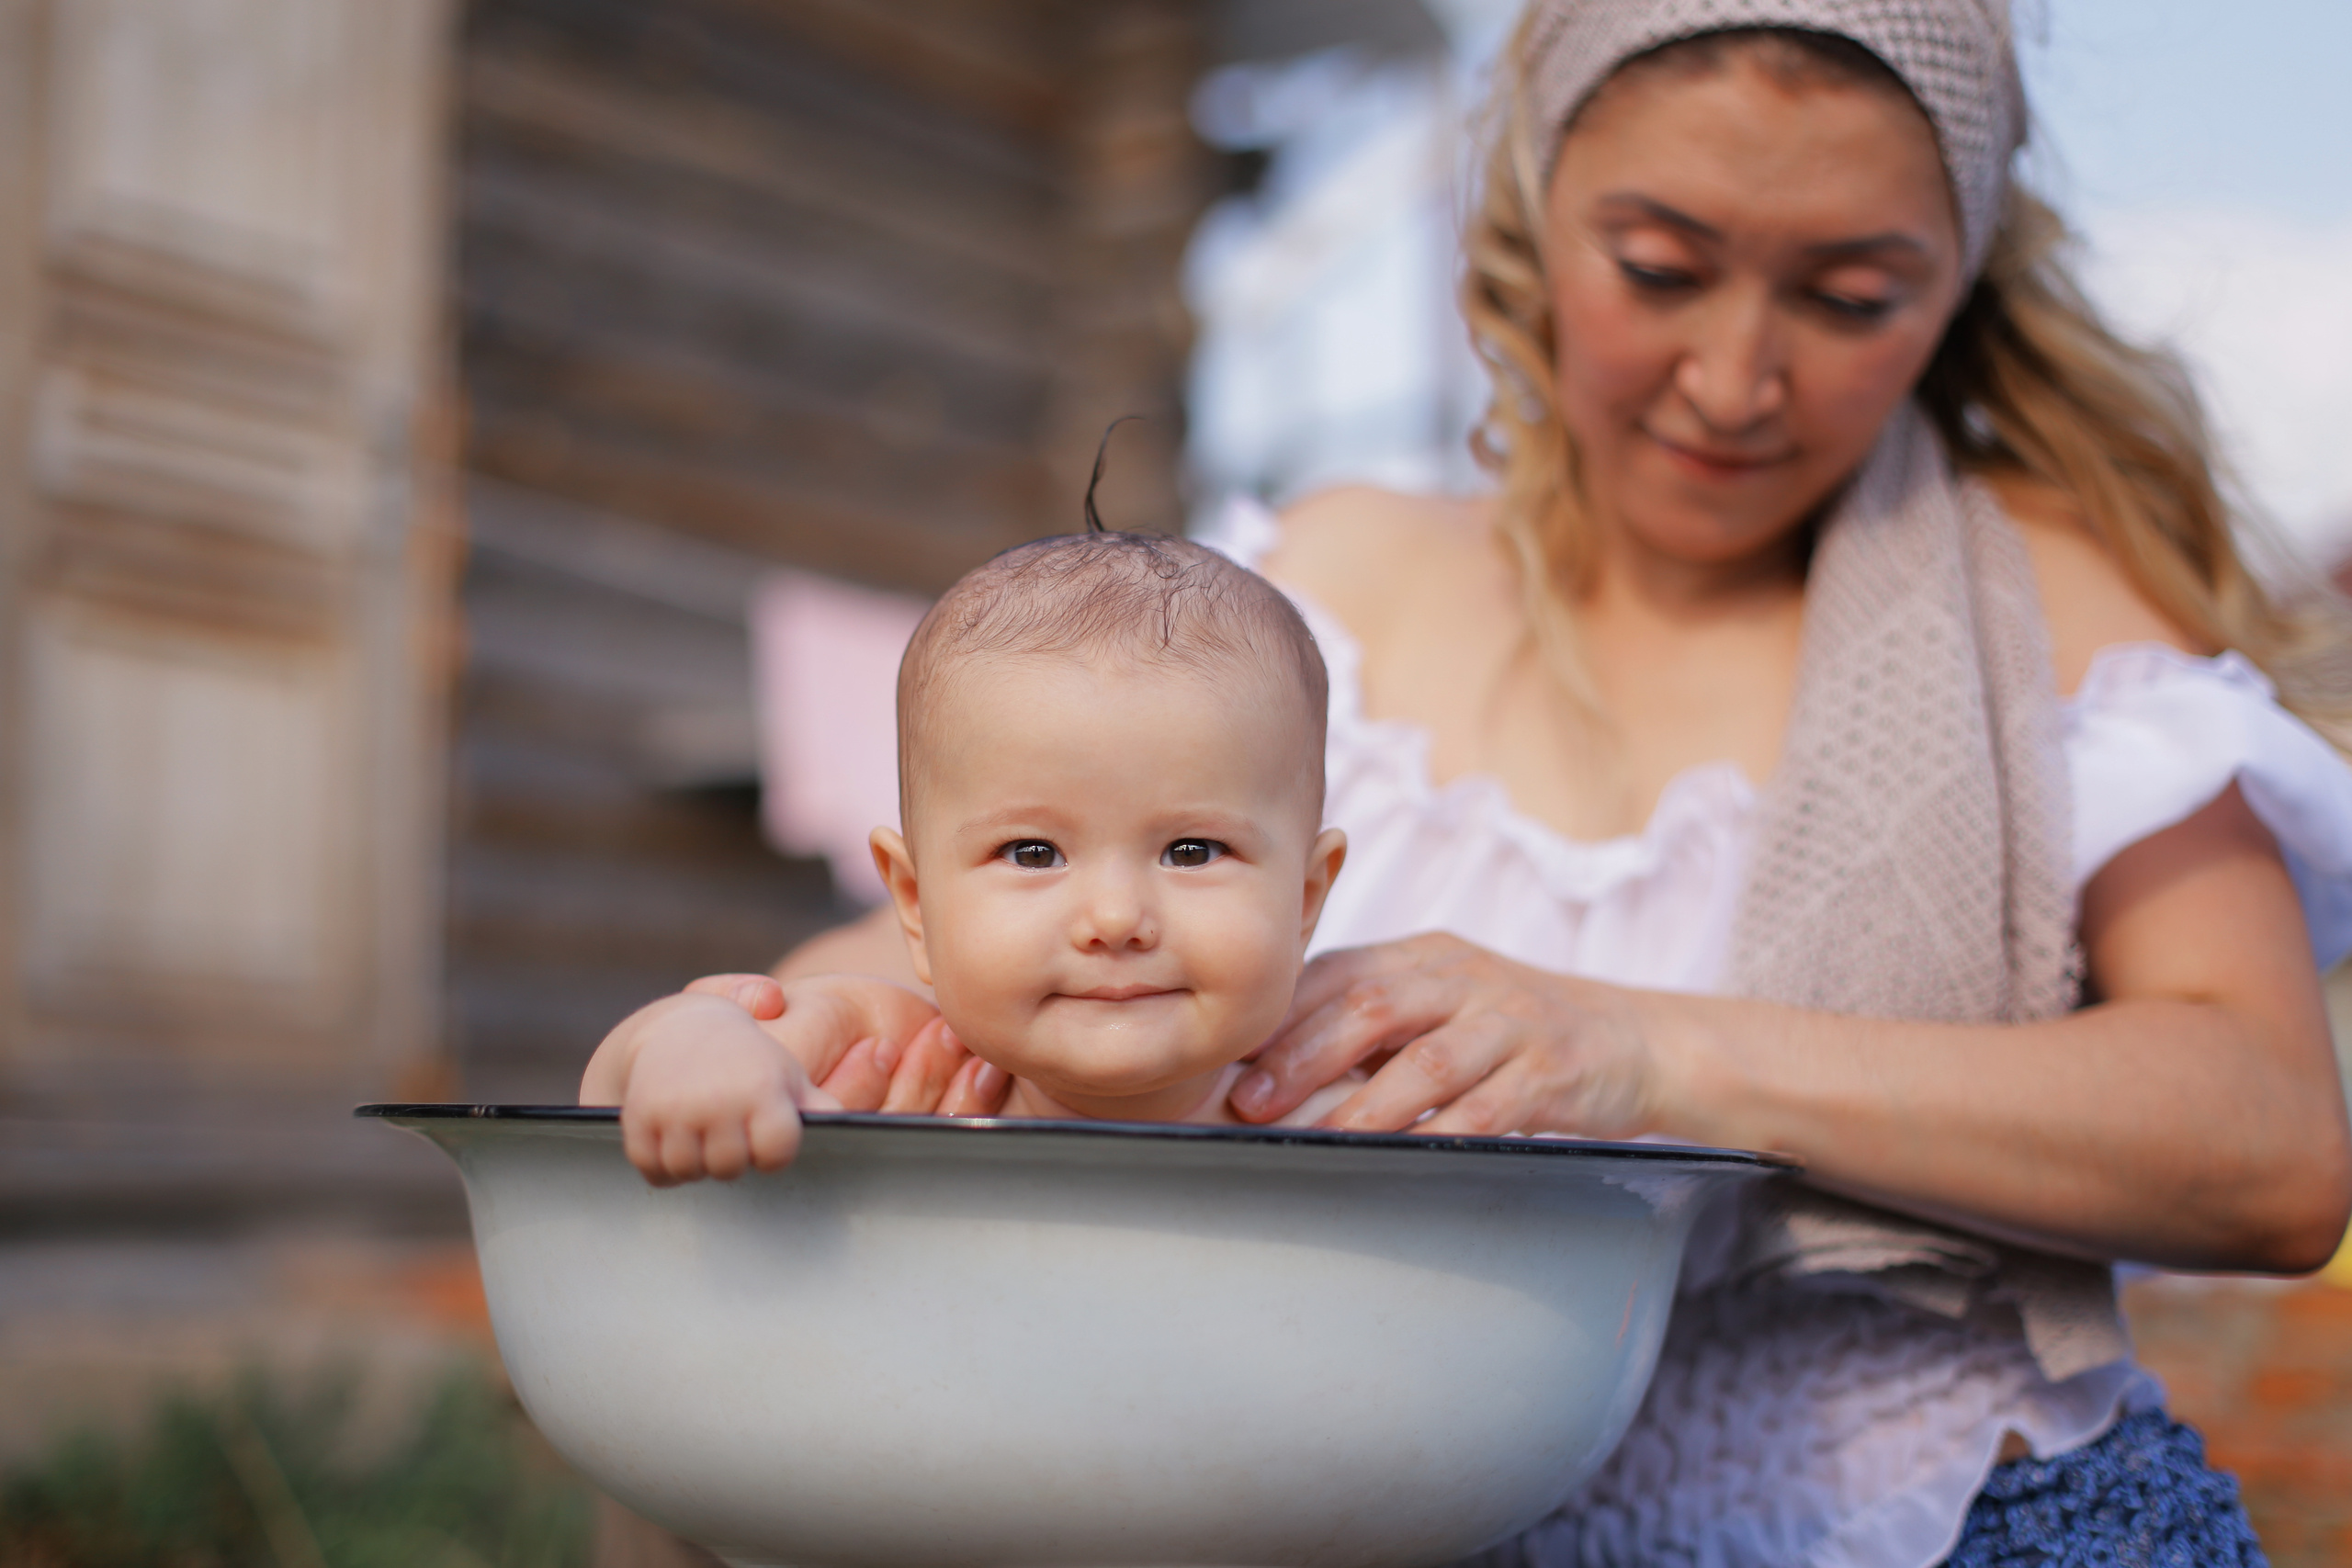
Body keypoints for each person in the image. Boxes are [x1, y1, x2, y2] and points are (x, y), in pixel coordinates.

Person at [588, 0, 2352, 1560]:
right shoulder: (1331, 589)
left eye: (1852, 295)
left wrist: (1647, 1051)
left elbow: (2269, 1148)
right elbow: (984, 923)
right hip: (1378, 1508)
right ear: (1526, 219)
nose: (1736, 377)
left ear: (1957, 277)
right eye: (1659, 266)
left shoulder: (2045, 613)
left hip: (1946, 1510)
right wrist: (793, 1029)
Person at [581, 531, 1358, 1172]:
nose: (1116, 918)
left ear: (1304, 899)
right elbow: (623, 1073)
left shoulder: (1347, 1113)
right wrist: (700, 1050)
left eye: (1191, 851)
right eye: (1032, 852)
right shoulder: (899, 1052)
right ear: (915, 907)